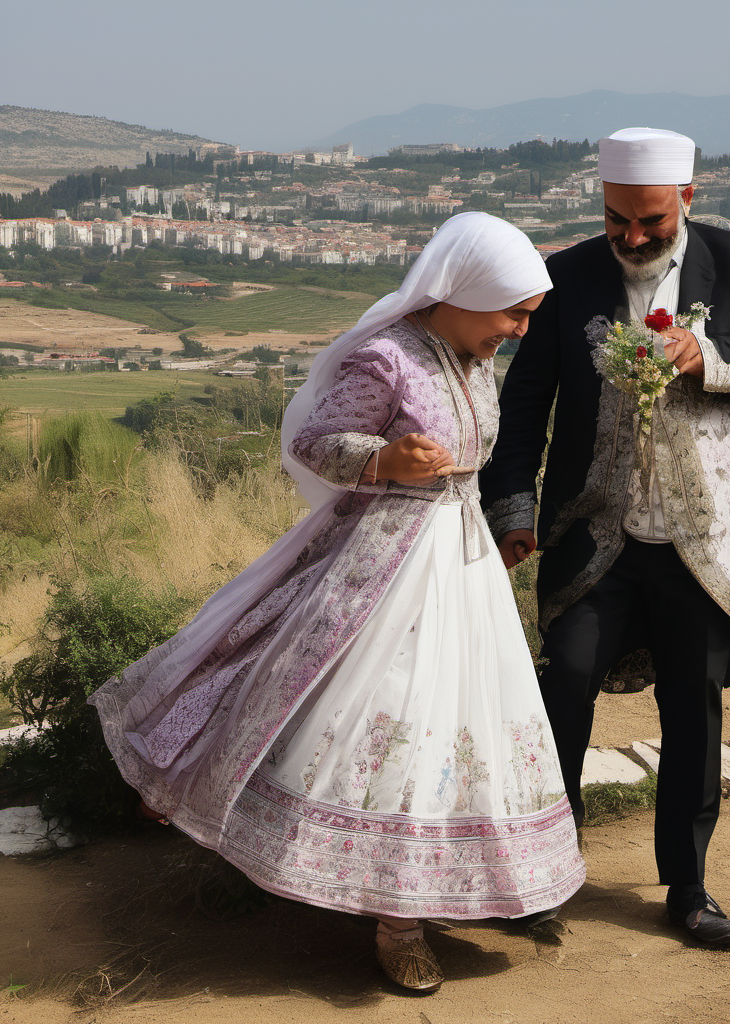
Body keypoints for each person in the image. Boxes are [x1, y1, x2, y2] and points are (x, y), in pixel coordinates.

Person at [89, 212, 585, 995]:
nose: (521, 330)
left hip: (462, 571)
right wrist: (385, 460)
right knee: (377, 717)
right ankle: (395, 920)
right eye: (512, 313)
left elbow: (472, 459)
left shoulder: (475, 359)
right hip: (380, 569)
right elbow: (315, 441)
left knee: (458, 725)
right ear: (461, 292)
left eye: (529, 316)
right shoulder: (386, 357)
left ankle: (432, 892)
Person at [479, 128, 730, 947]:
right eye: (617, 219)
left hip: (700, 538)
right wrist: (513, 511)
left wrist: (704, 355)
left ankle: (688, 889)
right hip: (592, 531)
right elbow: (526, 405)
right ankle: (544, 872)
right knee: (563, 687)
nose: (631, 235)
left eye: (650, 220)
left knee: (695, 706)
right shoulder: (566, 274)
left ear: (686, 197)